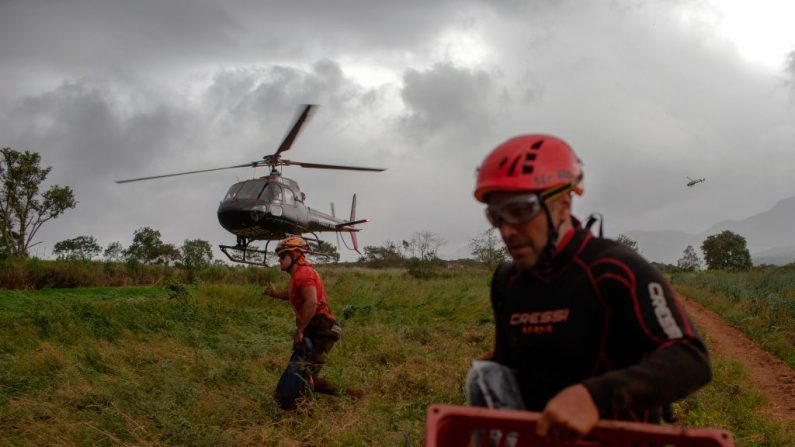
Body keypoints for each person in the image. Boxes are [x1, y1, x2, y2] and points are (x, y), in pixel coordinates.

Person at [466, 134, 711, 442]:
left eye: (519, 211)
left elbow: (691, 359)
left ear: (563, 203)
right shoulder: (507, 281)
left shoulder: (614, 269)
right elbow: (510, 362)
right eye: (496, 216)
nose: (506, 230)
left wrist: (594, 397)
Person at [265, 236, 342, 409]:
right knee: (304, 372)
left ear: (295, 255)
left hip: (321, 328)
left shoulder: (304, 274)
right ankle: (350, 394)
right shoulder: (298, 276)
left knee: (303, 374)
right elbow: (294, 295)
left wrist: (300, 330)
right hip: (316, 328)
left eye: (282, 256)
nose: (279, 261)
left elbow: (312, 302)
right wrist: (275, 294)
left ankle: (303, 411)